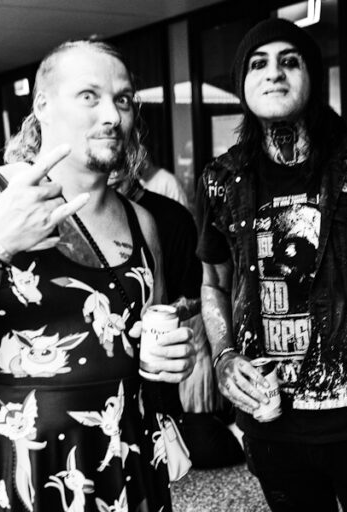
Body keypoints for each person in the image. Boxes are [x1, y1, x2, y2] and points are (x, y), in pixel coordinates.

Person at [0, 40, 196, 512]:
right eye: (89, 96)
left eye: (122, 99)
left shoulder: (142, 222)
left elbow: (144, 344)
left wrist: (169, 357)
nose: (113, 115)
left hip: (121, 465)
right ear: (42, 106)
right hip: (11, 470)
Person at [197, 18, 347, 511]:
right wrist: (223, 358)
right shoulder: (221, 179)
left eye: (290, 61)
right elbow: (214, 282)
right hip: (271, 423)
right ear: (242, 84)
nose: (273, 73)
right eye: (258, 64)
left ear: (313, 77)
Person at [119, 172, 245, 469]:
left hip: (178, 345)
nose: (109, 179)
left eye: (116, 170)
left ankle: (235, 433)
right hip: (125, 362)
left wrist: (164, 315)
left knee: (195, 444)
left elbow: (204, 291)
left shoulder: (169, 217)